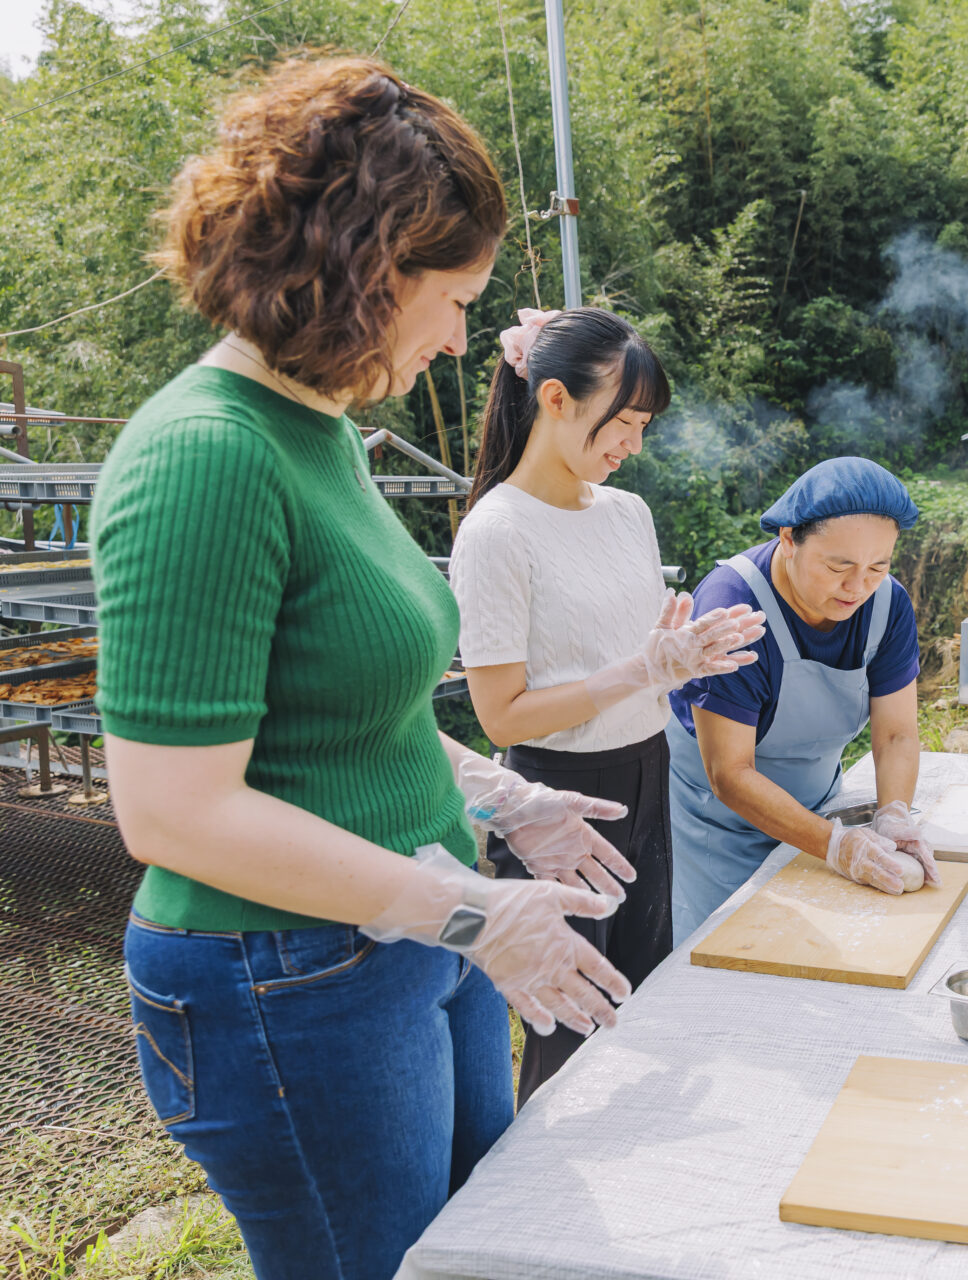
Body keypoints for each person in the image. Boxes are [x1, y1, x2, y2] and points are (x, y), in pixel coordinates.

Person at [96, 58, 639, 1280]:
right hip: (282, 973)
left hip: (405, 928)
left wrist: (510, 800)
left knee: (479, 1244)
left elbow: (349, 717)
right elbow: (174, 809)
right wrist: (473, 912)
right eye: (456, 301)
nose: (461, 341)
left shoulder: (320, 428)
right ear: (364, 267)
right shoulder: (202, 457)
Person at [448, 305, 764, 1104]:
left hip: (647, 771)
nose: (634, 443)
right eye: (621, 421)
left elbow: (635, 664)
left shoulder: (628, 513)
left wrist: (680, 660)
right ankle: (534, 1206)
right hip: (553, 796)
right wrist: (636, 671)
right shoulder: (497, 532)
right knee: (565, 1021)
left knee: (640, 1000)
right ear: (554, 399)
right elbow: (502, 718)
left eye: (644, 424)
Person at [666, 458, 938, 943]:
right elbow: (730, 772)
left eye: (878, 566)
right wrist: (835, 847)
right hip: (719, 829)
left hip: (819, 812)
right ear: (789, 539)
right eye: (839, 566)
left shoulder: (886, 604)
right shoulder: (733, 609)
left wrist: (894, 812)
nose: (858, 587)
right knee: (731, 954)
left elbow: (896, 733)